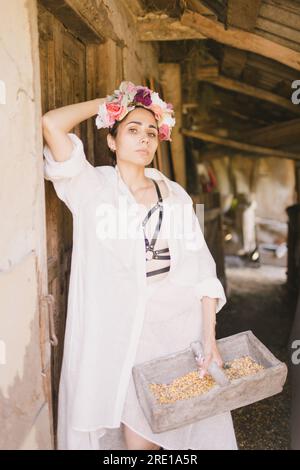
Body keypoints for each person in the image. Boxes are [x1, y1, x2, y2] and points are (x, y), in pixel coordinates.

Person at [42, 81, 238, 450]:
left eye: (152, 132)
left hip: (179, 331)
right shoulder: (91, 187)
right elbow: (52, 124)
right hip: (124, 337)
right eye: (132, 130)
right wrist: (115, 103)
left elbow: (201, 272)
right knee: (139, 438)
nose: (144, 139)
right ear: (112, 141)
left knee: (184, 430)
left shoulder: (175, 195)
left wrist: (209, 339)